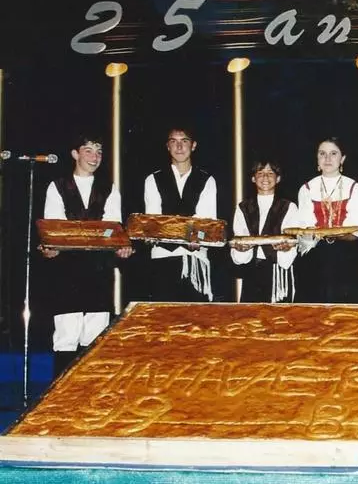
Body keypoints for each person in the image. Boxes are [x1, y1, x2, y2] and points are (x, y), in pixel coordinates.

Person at [41, 135, 133, 377]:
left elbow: (112, 227)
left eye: (99, 152)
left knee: (96, 334)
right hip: (66, 271)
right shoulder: (57, 186)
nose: (95, 157)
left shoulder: (109, 189)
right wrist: (54, 246)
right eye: (89, 150)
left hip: (98, 270)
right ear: (75, 154)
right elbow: (54, 229)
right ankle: (61, 392)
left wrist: (120, 246)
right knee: (66, 333)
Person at [293, 137, 358, 303]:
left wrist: (334, 235)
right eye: (322, 154)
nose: (327, 158)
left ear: (342, 159)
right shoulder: (307, 189)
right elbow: (305, 227)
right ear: (317, 158)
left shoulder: (354, 188)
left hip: (347, 257)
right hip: (316, 258)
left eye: (333, 153)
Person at [143, 127, 217, 302]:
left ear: (193, 145)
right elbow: (154, 220)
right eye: (173, 141)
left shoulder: (207, 179)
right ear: (167, 146)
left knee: (195, 315)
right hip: (162, 256)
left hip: (196, 258)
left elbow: (206, 220)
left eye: (184, 141)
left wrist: (195, 237)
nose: (179, 146)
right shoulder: (153, 179)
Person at [230, 159, 297, 303]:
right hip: (252, 272)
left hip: (278, 274)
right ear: (253, 178)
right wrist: (241, 249)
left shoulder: (289, 207)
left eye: (270, 173)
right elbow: (240, 250)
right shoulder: (243, 207)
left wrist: (285, 249)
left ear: (278, 179)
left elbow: (289, 251)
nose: (265, 177)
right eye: (260, 173)